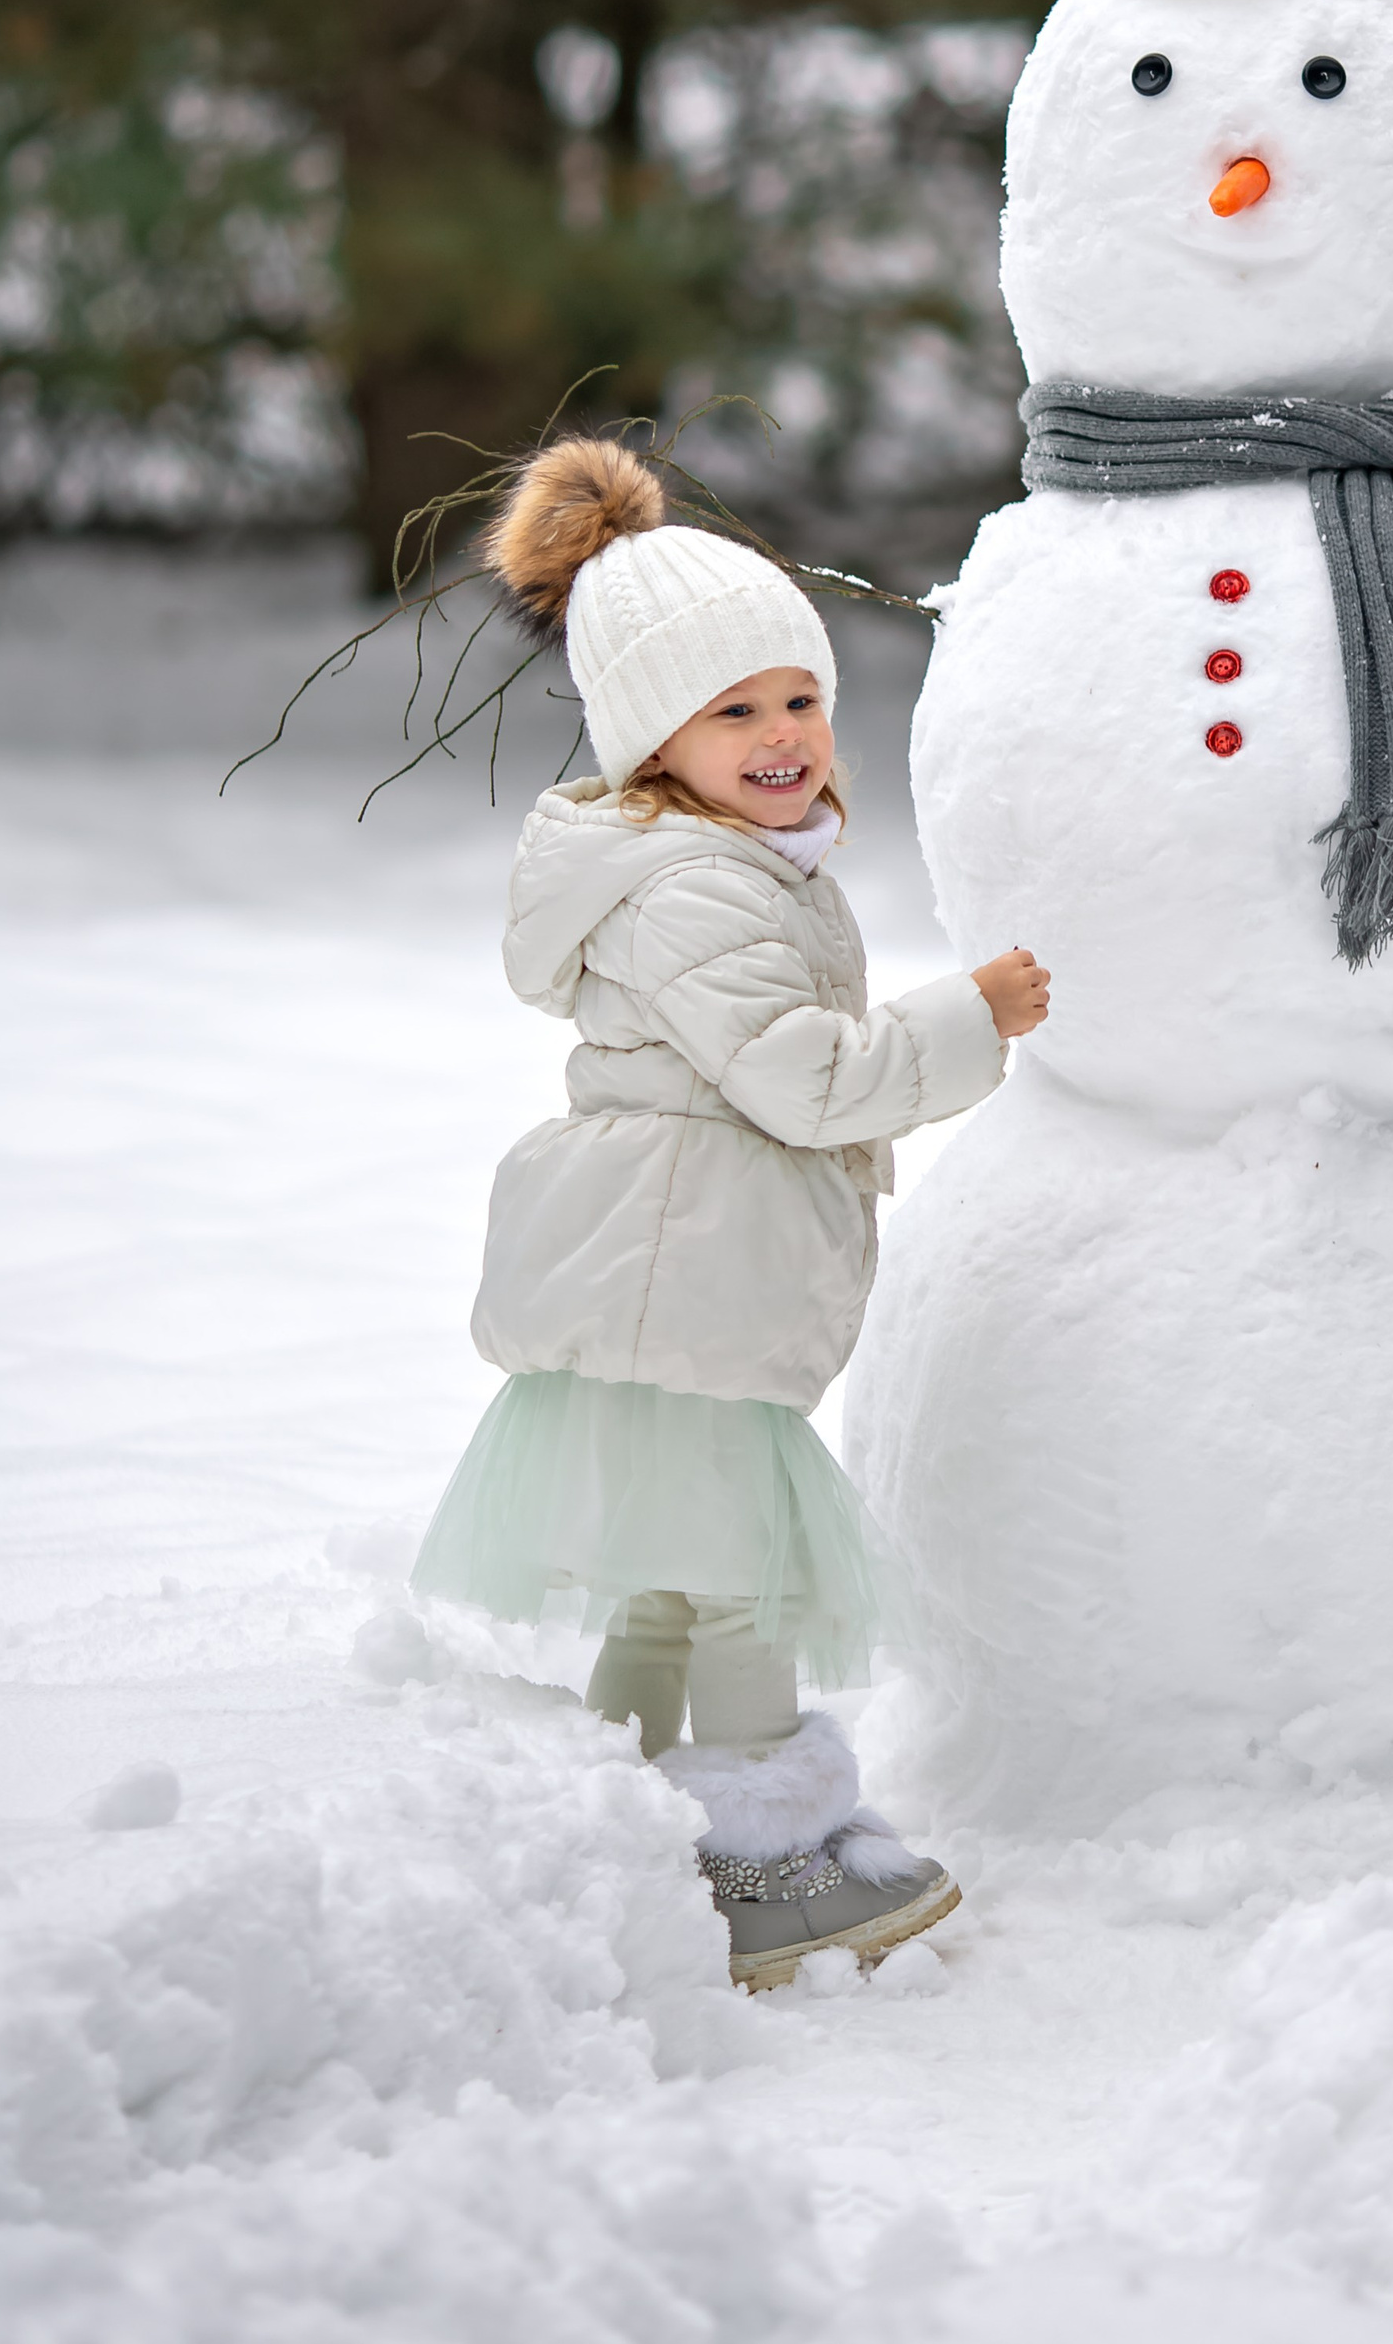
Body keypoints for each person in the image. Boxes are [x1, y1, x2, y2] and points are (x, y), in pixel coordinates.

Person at [409, 435, 1048, 1989]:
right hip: (678, 1281)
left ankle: (606, 1826)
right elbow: (806, 1080)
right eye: (734, 709)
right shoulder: (695, 887)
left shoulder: (715, 858)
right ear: (651, 739)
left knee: (669, 1575)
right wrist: (971, 1018)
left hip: (677, 1271)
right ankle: (765, 1868)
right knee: (738, 1574)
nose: (782, 736)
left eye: (800, 697)